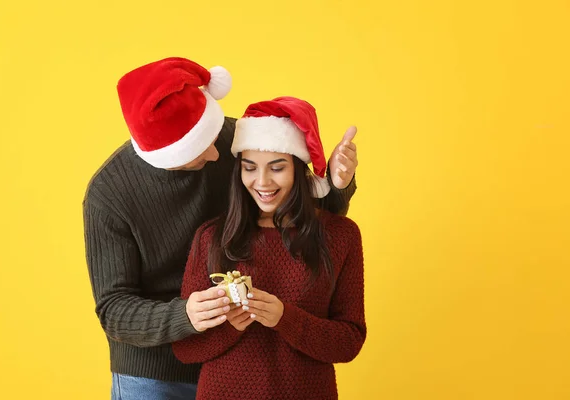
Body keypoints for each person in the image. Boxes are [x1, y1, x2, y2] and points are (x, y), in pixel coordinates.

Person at [83, 57, 359, 400]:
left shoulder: (237, 141)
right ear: (170, 155)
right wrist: (185, 314)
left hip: (242, 364)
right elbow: (113, 309)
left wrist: (336, 183)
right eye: (201, 148)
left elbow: (308, 216)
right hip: (153, 371)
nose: (217, 154)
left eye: (214, 135)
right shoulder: (109, 194)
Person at [172, 96, 366, 400]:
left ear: (300, 169)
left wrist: (285, 318)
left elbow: (349, 341)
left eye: (277, 168)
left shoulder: (340, 235)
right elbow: (185, 349)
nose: (261, 181)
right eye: (249, 168)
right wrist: (231, 327)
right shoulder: (211, 237)